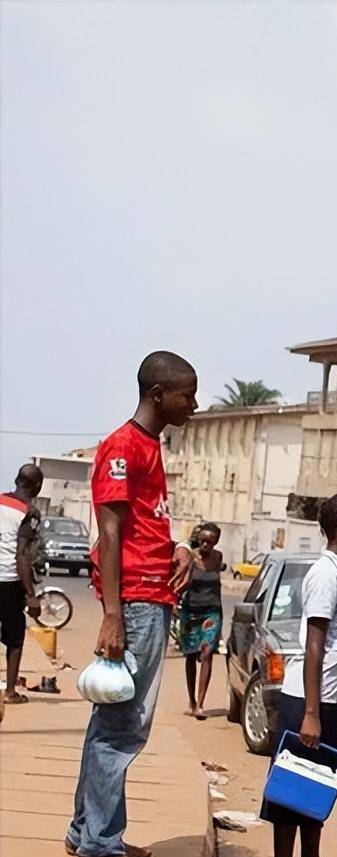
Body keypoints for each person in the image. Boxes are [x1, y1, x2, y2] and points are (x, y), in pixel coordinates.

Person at [67, 351, 198, 857]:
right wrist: (114, 615)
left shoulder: (149, 446)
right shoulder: (123, 446)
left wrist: (178, 548)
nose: (193, 403)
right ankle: (101, 844)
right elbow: (111, 530)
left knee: (111, 724)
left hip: (151, 592)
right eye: (187, 393)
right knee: (122, 729)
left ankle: (89, 834)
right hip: (137, 601)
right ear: (158, 395)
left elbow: (146, 522)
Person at [260, 493, 337, 857]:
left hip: (329, 698)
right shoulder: (325, 574)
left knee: (314, 797)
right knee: (290, 799)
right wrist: (311, 714)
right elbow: (315, 646)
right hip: (309, 700)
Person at [1, 464, 44, 708]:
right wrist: (31, 595)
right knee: (14, 638)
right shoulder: (30, 512)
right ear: (38, 487)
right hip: (8, 580)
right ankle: (10, 692)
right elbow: (23, 555)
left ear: (16, 480)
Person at [179, 522, 226, 720]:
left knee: (207, 652)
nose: (206, 545)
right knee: (191, 655)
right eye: (203, 541)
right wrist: (174, 600)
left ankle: (200, 704)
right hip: (191, 611)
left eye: (211, 542)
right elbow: (182, 581)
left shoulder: (218, 557)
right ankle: (191, 701)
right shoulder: (190, 557)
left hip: (212, 612)